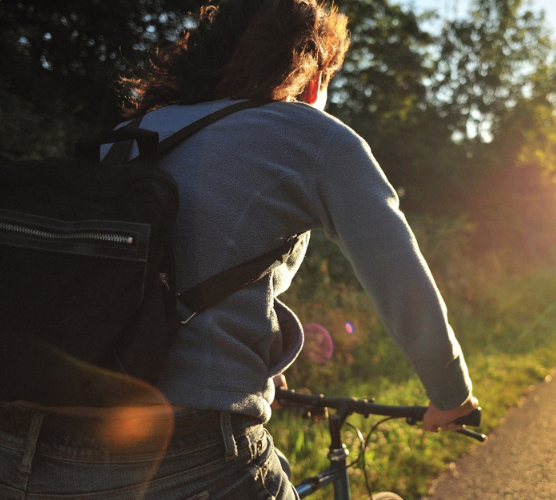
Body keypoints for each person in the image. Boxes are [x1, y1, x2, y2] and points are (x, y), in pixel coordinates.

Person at [0, 0, 476, 498]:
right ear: (312, 79)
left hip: (20, 453)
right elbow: (400, 280)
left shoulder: (129, 137)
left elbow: (122, 294)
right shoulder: (311, 134)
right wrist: (451, 395)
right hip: (182, 458)